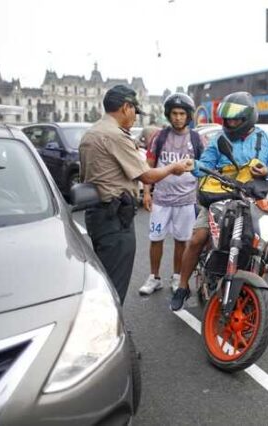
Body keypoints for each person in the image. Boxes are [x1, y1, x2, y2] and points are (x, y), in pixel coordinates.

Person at [169, 91, 268, 311]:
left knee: (260, 243)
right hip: (220, 196)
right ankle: (182, 287)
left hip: (250, 199)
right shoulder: (219, 139)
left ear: (248, 117)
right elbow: (203, 166)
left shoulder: (266, 139)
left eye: (235, 119)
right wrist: (192, 166)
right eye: (228, 119)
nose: (230, 123)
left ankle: (253, 288)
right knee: (197, 238)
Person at [79, 84, 193, 304]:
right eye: (134, 112)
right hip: (114, 218)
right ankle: (112, 331)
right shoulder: (115, 136)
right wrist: (173, 168)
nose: (134, 118)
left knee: (103, 278)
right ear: (125, 107)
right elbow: (147, 175)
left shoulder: (91, 133)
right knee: (114, 284)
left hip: (98, 215)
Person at [139, 93, 205, 296]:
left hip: (186, 201)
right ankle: (154, 277)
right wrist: (147, 193)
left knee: (181, 240)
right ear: (168, 115)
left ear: (188, 116)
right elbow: (148, 166)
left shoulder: (197, 139)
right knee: (156, 238)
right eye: (174, 113)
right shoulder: (159, 137)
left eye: (182, 113)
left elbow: (204, 168)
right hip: (161, 199)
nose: (177, 117)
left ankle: (177, 277)